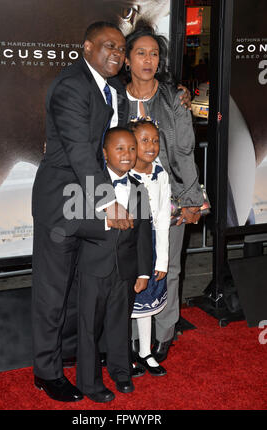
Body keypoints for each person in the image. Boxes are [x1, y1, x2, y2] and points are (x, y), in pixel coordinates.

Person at [31, 21, 135, 403]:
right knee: (52, 293)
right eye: (109, 46)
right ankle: (46, 372)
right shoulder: (72, 85)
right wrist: (110, 200)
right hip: (62, 202)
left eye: (122, 49)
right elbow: (79, 151)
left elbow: (111, 149)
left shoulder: (118, 92)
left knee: (90, 287)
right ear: (87, 47)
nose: (117, 54)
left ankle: (91, 361)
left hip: (92, 200)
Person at [123, 23, 203, 363]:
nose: (148, 60)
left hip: (168, 195)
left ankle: (165, 333)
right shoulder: (113, 99)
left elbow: (185, 152)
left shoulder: (174, 99)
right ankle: (127, 334)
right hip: (126, 200)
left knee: (168, 266)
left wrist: (192, 199)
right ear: (126, 60)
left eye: (154, 54)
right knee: (129, 268)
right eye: (140, 53)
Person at [76, 126, 152, 402]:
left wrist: (143, 270)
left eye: (132, 148)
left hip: (126, 268)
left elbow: (144, 234)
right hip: (93, 267)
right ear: (105, 152)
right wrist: (107, 221)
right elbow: (76, 225)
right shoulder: (89, 185)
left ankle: (122, 372)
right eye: (119, 148)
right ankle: (89, 381)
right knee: (89, 327)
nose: (127, 154)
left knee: (120, 324)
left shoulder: (139, 189)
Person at [127, 117, 171, 376]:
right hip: (129, 245)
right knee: (125, 300)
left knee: (147, 301)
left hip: (153, 242)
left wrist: (162, 259)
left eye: (155, 140)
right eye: (144, 140)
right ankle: (123, 353)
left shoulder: (160, 173)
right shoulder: (124, 174)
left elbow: (164, 216)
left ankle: (145, 351)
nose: (151, 145)